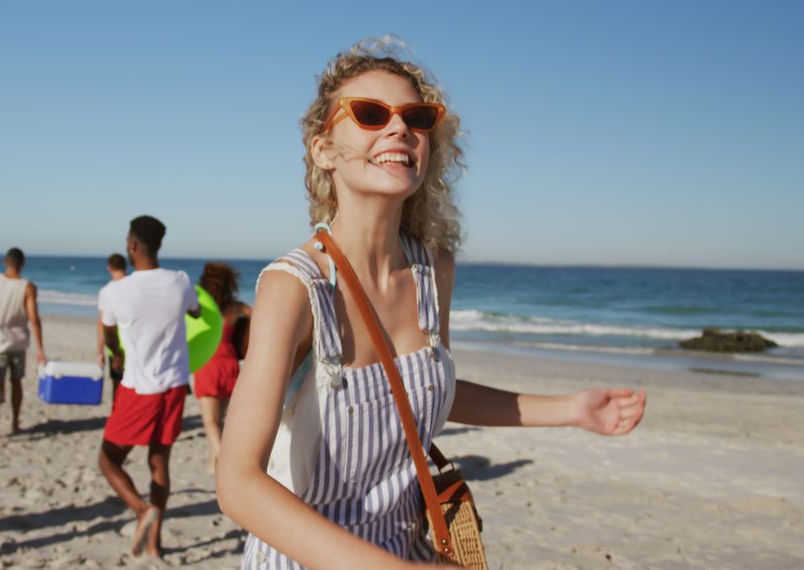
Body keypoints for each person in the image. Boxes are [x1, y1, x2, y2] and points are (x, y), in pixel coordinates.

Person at [215, 38, 648, 569]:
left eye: (416, 117)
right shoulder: (296, 287)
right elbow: (237, 484)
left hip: (407, 545)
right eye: (371, 114)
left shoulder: (432, 270)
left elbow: (426, 389)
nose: (399, 128)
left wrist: (570, 410)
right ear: (323, 149)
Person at [98, 215, 201, 557]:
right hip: (173, 387)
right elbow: (199, 314)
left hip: (138, 387)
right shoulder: (181, 282)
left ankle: (142, 511)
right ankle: (155, 545)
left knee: (109, 460)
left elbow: (110, 335)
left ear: (132, 245)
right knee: (159, 463)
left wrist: (115, 354)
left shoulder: (113, 291)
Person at [0, 247, 46, 438]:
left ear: (5, 262)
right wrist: (40, 348)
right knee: (16, 383)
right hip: (18, 342)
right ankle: (15, 422)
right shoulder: (27, 286)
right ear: (22, 264)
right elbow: (34, 319)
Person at [193, 261, 252, 473]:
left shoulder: (199, 306)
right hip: (230, 365)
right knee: (221, 421)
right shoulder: (235, 307)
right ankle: (213, 464)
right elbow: (259, 316)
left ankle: (223, 458)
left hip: (207, 364)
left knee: (210, 421)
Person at [96, 253, 128, 400]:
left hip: (115, 346)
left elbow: (102, 323)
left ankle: (117, 415)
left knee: (117, 385)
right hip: (136, 343)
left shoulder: (106, 292)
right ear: (125, 266)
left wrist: (100, 350)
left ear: (109, 268)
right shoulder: (134, 286)